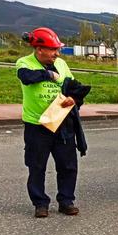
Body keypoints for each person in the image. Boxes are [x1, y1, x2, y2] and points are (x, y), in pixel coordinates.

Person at [16, 27, 90, 218]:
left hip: (61, 122)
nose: (57, 53)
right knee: (37, 166)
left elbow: (74, 87)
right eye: (53, 49)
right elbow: (27, 77)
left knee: (68, 165)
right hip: (37, 126)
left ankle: (66, 200)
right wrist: (48, 74)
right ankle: (40, 203)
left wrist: (73, 99)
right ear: (39, 49)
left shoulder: (62, 64)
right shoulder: (25, 63)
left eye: (58, 49)